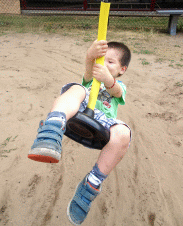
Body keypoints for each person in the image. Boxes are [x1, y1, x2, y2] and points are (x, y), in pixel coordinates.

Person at [28, 39, 132, 225]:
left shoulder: (120, 86)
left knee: (124, 132)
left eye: (110, 62)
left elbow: (115, 91)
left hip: (102, 123)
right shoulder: (91, 78)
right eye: (101, 60)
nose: (103, 64)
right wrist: (90, 56)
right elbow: (87, 72)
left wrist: (107, 79)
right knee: (76, 88)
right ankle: (52, 129)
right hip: (81, 111)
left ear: (121, 69)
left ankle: (91, 184)